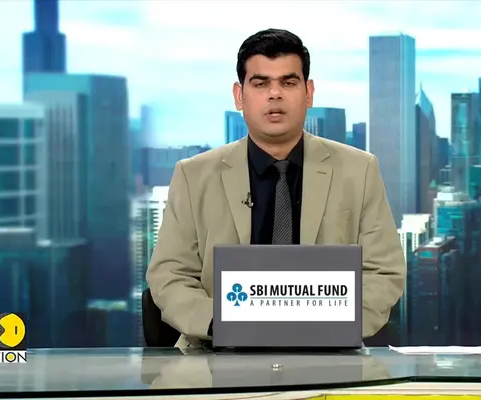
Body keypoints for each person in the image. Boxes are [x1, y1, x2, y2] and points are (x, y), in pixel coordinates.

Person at [147, 28, 406, 348]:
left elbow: (383, 272)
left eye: (288, 82)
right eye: (260, 83)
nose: (275, 94)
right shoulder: (193, 175)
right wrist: (224, 323)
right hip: (215, 352)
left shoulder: (359, 170)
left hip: (329, 352)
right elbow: (169, 275)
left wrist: (330, 325)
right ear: (239, 96)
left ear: (309, 93)